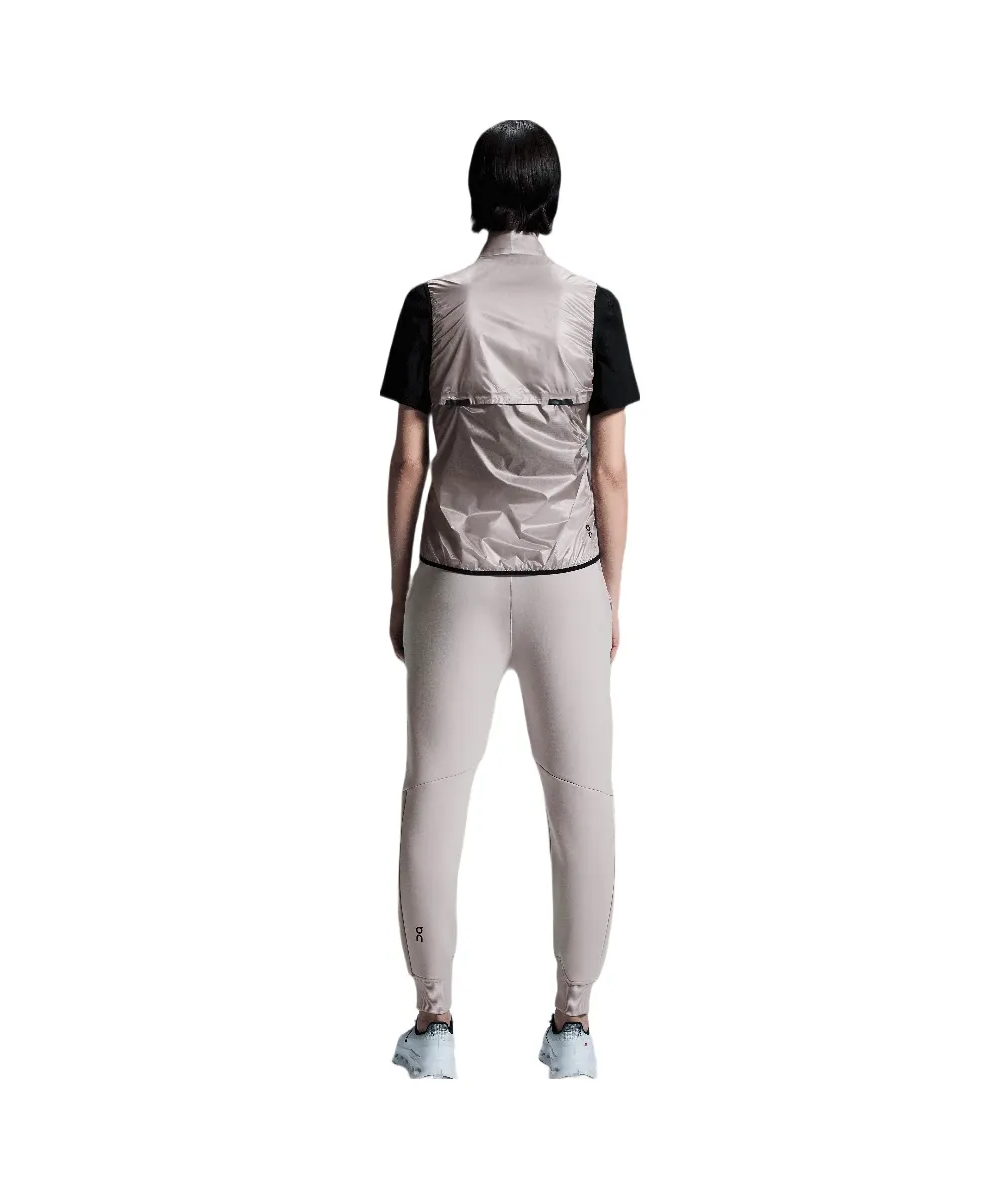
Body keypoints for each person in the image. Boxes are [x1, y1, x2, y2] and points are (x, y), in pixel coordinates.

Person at [381, 120, 639, 1079]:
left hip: (455, 578)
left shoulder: (432, 304)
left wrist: (398, 590)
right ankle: (574, 1028)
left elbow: (409, 463)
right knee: (583, 800)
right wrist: (610, 595)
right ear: (551, 197)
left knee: (434, 796)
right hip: (567, 578)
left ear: (477, 194)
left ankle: (434, 1027)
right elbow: (610, 473)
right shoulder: (594, 307)